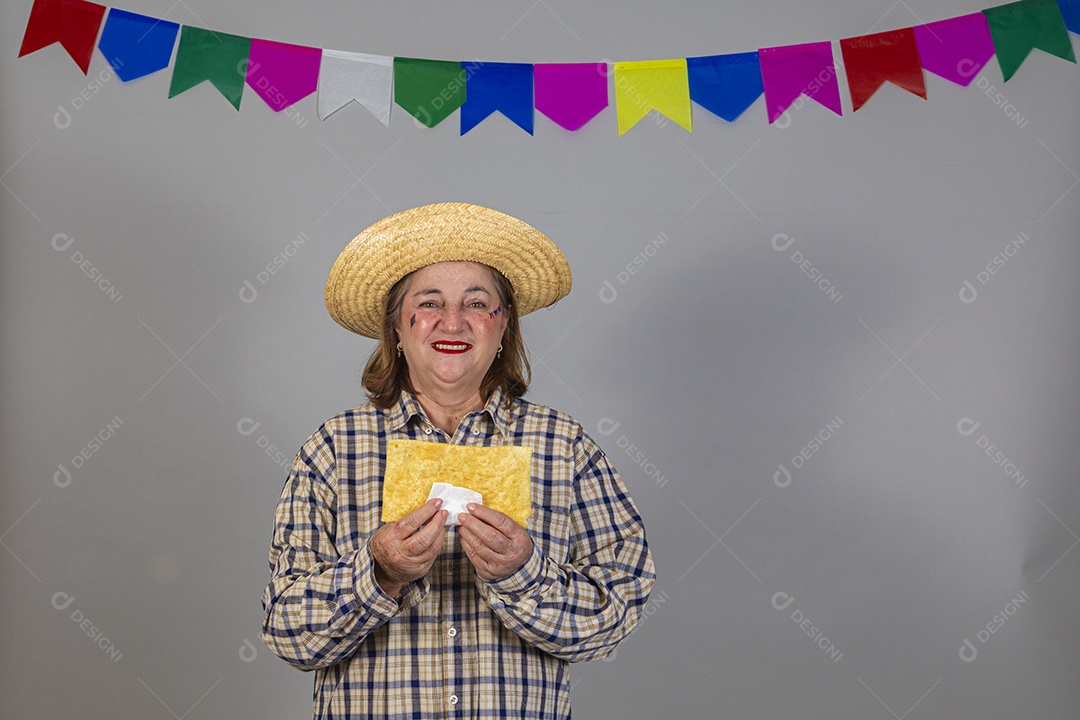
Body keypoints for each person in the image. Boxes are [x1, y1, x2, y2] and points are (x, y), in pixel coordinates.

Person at [261, 202, 655, 719]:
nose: (453, 321)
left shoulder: (562, 446)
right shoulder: (334, 447)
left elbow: (617, 612)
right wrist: (377, 574)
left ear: (503, 326)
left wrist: (523, 574)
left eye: (477, 303)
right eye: (429, 303)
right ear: (397, 328)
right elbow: (288, 633)